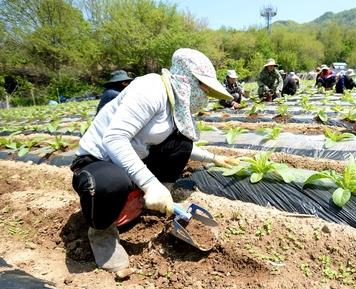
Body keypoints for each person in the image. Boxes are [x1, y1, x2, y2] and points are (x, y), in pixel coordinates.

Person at [70, 49, 238, 276]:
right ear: (186, 80)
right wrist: (150, 183)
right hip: (99, 161)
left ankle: (160, 201)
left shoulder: (174, 103)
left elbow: (179, 147)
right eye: (204, 88)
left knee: (182, 142)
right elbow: (114, 139)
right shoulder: (151, 89)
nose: (205, 96)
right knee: (112, 182)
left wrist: (214, 157)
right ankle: (102, 236)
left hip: (131, 159)